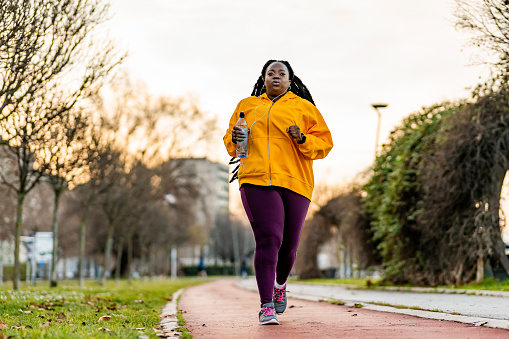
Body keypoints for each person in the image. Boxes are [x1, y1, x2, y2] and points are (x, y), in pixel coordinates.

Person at [223, 60, 333, 325]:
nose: (275, 76)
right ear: (263, 79)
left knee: (288, 247)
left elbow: (326, 143)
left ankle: (280, 284)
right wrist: (235, 140)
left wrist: (303, 139)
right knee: (269, 239)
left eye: (281, 73)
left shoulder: (304, 108)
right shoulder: (246, 106)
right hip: (256, 180)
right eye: (270, 73)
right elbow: (230, 143)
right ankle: (266, 306)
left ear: (289, 80)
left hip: (295, 181)